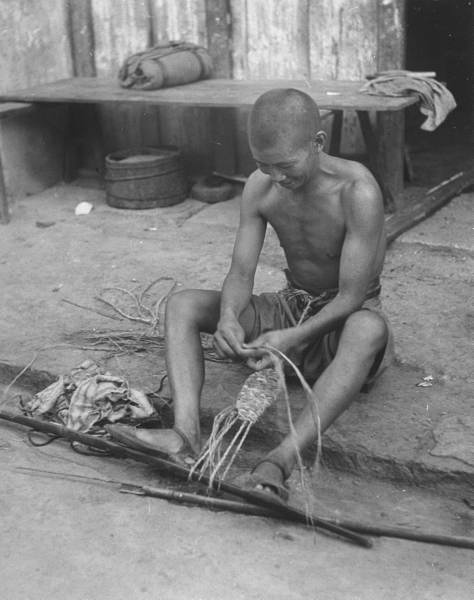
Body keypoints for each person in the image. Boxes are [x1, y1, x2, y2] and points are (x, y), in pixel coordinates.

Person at [108, 88, 393, 502]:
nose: (276, 177)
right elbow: (241, 272)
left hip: (341, 327)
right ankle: (184, 436)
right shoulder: (261, 187)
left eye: (285, 165)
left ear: (318, 143)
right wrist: (227, 316)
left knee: (367, 328)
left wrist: (289, 339)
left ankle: (278, 462)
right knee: (184, 303)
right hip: (292, 308)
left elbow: (350, 298)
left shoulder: (357, 191)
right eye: (263, 164)